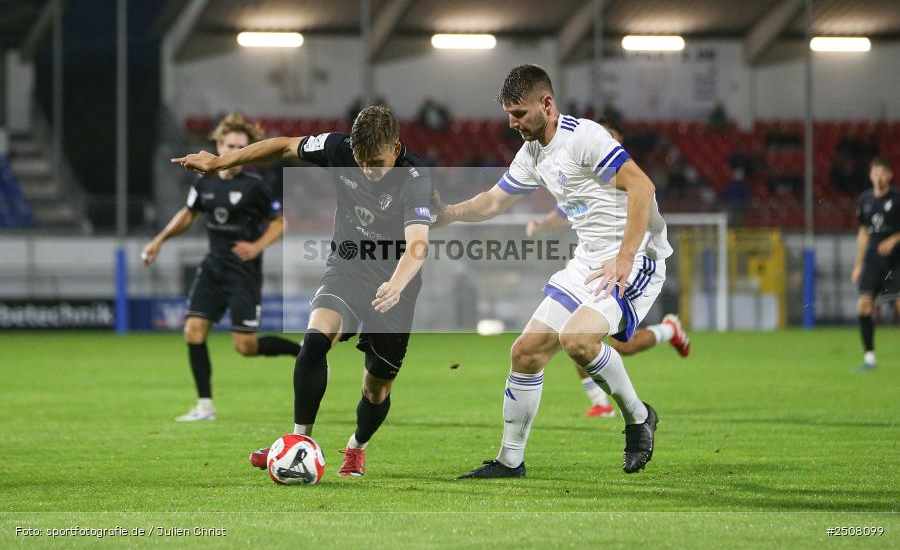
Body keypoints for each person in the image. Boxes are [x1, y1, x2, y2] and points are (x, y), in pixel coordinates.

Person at [171, 105, 433, 477]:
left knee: (376, 389)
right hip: (347, 269)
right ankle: (299, 443)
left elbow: (418, 244)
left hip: (395, 286)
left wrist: (397, 283)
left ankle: (357, 447)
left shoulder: (417, 177)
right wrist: (219, 163)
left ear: (396, 148)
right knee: (313, 341)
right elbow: (281, 146)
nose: (366, 171)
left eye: (375, 162)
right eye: (359, 161)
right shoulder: (340, 148)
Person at [437, 64, 672, 477]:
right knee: (525, 353)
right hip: (588, 260)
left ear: (547, 103)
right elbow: (494, 201)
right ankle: (510, 461)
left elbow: (643, 188)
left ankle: (638, 418)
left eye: (520, 113)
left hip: (633, 257)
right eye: (509, 114)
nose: (513, 123)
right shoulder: (532, 152)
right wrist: (449, 213)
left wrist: (624, 257)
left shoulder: (584, 137)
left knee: (578, 340)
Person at [142, 113, 296, 422]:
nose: (236, 151)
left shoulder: (256, 186)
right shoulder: (205, 182)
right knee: (193, 331)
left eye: (242, 146)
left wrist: (256, 247)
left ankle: (301, 351)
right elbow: (188, 214)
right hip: (213, 268)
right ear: (217, 145)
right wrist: (158, 240)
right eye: (230, 145)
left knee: (245, 347)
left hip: (243, 273)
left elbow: (281, 222)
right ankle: (205, 406)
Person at [526, 207, 689, 418]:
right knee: (575, 333)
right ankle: (600, 404)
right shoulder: (575, 182)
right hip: (586, 268)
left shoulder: (616, 183)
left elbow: (641, 200)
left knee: (624, 346)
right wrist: (541, 226)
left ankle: (669, 329)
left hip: (620, 266)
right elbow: (562, 212)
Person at [851, 156, 900, 372]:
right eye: (875, 173)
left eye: (882, 172)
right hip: (872, 262)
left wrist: (894, 239)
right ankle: (869, 359)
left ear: (890, 175)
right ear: (870, 175)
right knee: (863, 306)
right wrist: (858, 264)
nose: (878, 176)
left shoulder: (898, 198)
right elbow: (863, 233)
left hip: (895, 263)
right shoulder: (865, 200)